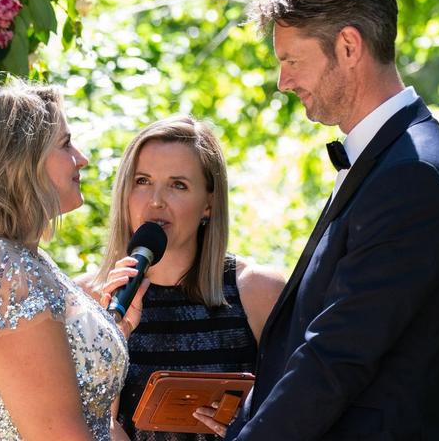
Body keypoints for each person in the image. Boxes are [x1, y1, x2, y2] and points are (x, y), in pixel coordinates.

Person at [194, 0, 439, 439]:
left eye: (291, 61)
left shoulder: (413, 176)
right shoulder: (387, 158)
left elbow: (337, 355)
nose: (284, 82)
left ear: (348, 46)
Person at [0, 82, 144, 440]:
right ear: (18, 159)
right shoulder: (3, 270)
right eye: (64, 144)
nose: (81, 158)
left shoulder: (18, 259)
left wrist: (109, 326)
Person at [82, 115, 286, 440]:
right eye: (142, 181)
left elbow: (304, 413)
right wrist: (110, 338)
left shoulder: (260, 292)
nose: (156, 200)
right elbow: (85, 428)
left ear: (209, 203)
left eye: (178, 185)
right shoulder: (85, 300)